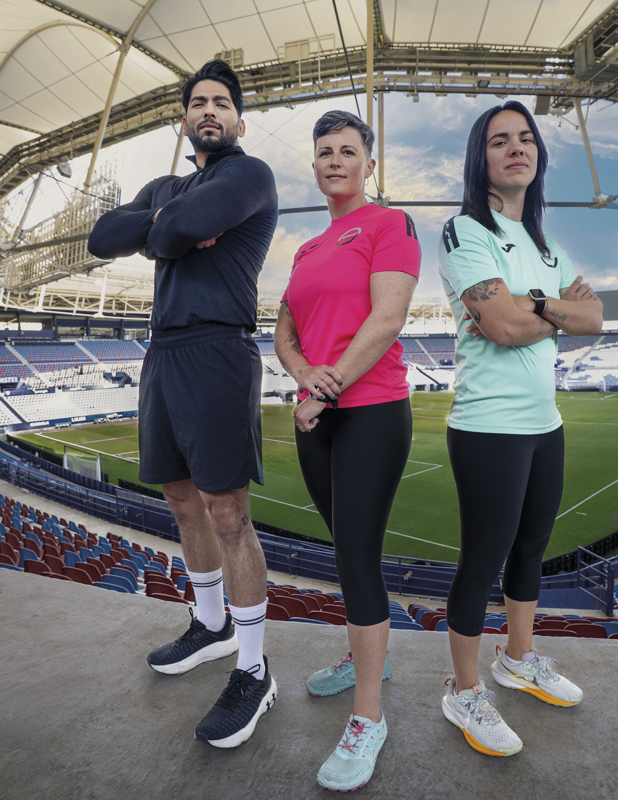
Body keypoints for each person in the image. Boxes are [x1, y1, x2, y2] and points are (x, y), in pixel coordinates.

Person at [87, 59, 278, 749]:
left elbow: (161, 234)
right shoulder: (170, 184)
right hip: (161, 352)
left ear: (239, 120)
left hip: (218, 351)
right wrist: (167, 219)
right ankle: (211, 623)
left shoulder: (249, 174)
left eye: (221, 102)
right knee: (179, 498)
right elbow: (104, 236)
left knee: (228, 511)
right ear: (183, 119)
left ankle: (255, 670)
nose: (209, 110)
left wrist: (160, 226)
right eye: (198, 102)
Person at [436, 101, 603, 757]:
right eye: (500, 140)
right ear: (481, 160)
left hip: (545, 424)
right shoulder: (463, 230)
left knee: (531, 549)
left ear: (538, 155)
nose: (516, 148)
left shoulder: (547, 245)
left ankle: (518, 659)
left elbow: (598, 318)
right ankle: (464, 689)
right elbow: (501, 329)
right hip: (488, 427)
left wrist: (532, 303)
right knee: (481, 563)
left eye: (526, 138)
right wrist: (550, 310)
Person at [273, 110, 420, 791]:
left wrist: (323, 391)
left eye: (348, 151)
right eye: (325, 151)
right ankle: (371, 658)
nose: (335, 160)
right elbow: (282, 327)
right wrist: (302, 373)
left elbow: (387, 319)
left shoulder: (390, 225)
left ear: (369, 164)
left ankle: (369, 716)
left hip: (370, 410)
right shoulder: (306, 250)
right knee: (345, 550)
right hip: (316, 411)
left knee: (357, 554)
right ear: (316, 165)